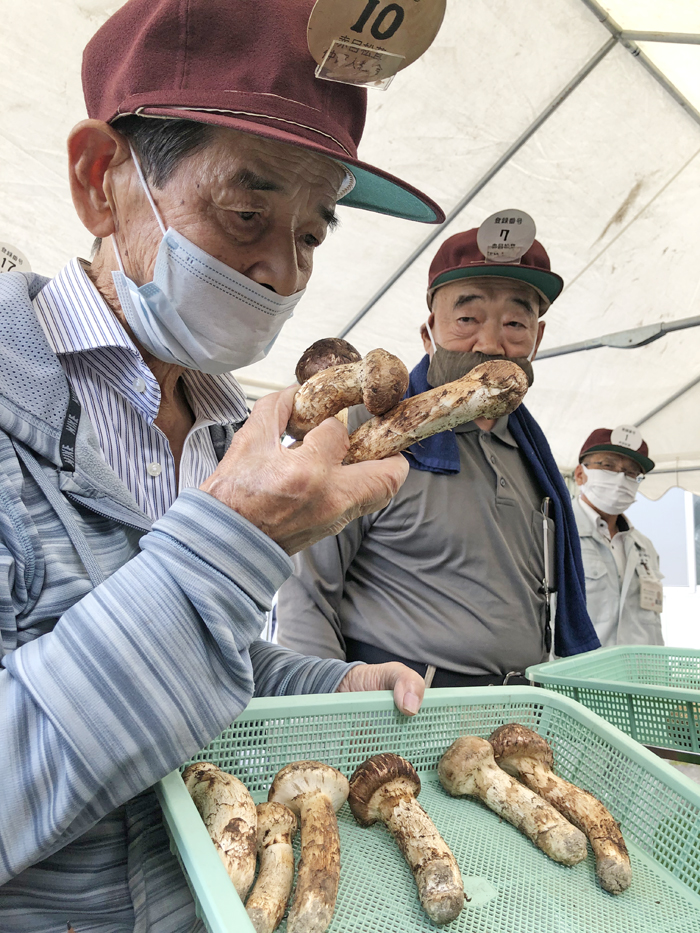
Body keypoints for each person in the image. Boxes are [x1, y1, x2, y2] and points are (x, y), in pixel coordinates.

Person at [0, 1, 445, 929]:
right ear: (100, 180)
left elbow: (204, 662)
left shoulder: (221, 425)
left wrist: (316, 685)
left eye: (313, 234)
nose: (283, 272)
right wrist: (229, 542)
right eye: (248, 211)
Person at [278, 220, 601, 685]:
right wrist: (326, 718)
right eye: (467, 319)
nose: (490, 344)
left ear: (539, 338)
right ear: (429, 333)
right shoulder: (364, 435)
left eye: (515, 323)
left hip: (513, 713)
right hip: (396, 714)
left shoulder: (534, 458)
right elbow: (305, 595)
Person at [572, 427, 664, 646]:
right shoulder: (556, 534)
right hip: (578, 676)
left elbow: (652, 621)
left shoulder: (645, 547)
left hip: (640, 676)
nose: (620, 477)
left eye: (631, 472)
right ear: (579, 474)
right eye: (608, 465)